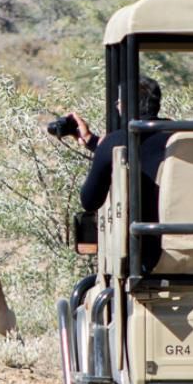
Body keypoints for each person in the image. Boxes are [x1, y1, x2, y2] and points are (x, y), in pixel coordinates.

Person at [46, 76, 166, 253]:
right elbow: (149, 153)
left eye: (119, 101)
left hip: (148, 253)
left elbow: (90, 201)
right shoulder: (182, 137)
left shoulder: (115, 141)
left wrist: (103, 146)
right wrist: (91, 141)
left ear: (126, 105)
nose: (117, 105)